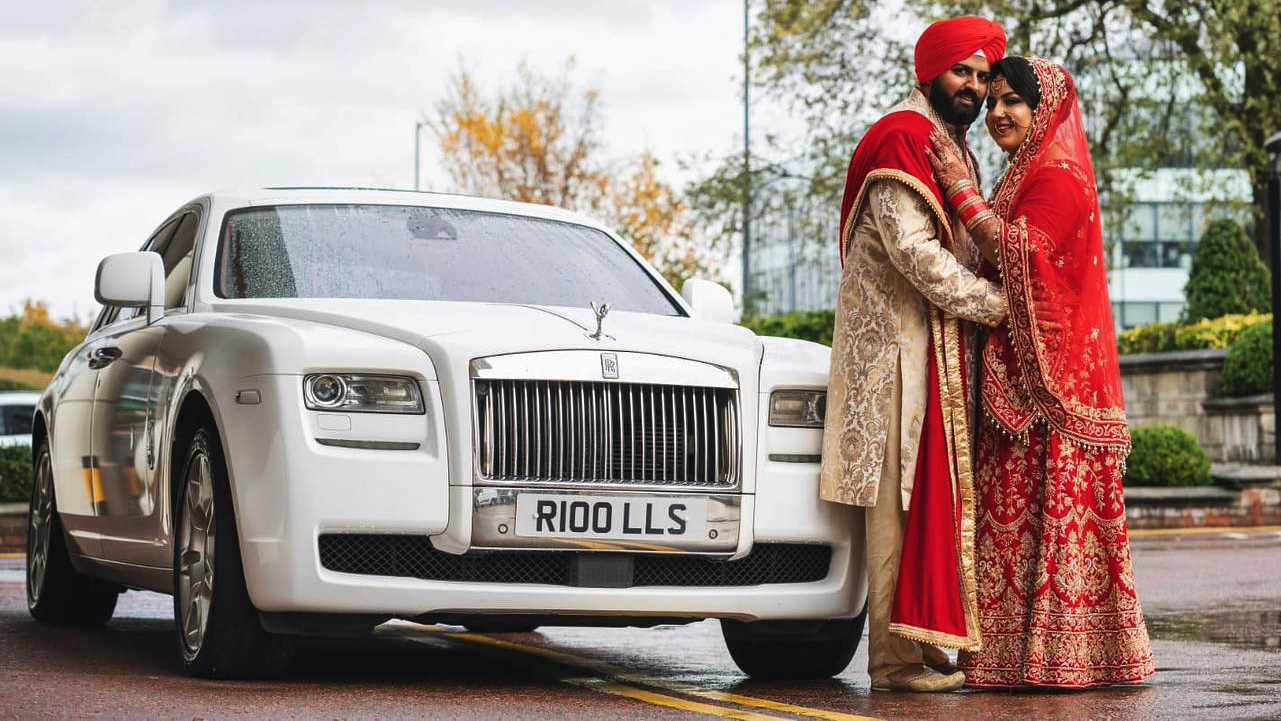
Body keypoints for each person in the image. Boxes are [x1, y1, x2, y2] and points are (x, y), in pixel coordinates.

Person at [927, 56, 1156, 687]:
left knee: (1046, 528)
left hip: (1051, 391)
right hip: (1019, 384)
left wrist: (961, 193)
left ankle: (1069, 658)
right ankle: (1008, 658)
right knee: (1011, 531)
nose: (997, 111)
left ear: (1043, 110)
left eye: (1013, 102)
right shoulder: (1023, 175)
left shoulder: (1059, 176)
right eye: (993, 99)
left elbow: (1022, 252)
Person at [819, 16, 1009, 692]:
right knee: (897, 502)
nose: (974, 85)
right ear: (928, 70)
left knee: (935, 496)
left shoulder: (948, 140)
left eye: (984, 76)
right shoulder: (900, 137)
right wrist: (1007, 307)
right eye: (963, 71)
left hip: (936, 346)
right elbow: (918, 259)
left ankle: (928, 647)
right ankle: (894, 660)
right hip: (895, 352)